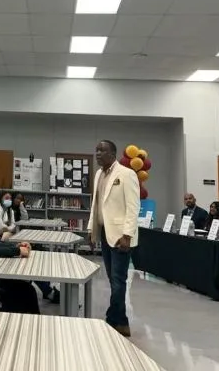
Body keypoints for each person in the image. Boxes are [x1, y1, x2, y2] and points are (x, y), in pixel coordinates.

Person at [89, 140, 140, 337]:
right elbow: (96, 205)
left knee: (118, 280)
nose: (98, 153)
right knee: (113, 279)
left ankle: (113, 319)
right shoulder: (98, 174)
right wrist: (91, 229)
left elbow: (133, 207)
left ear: (113, 153)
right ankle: (122, 322)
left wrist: (127, 235)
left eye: (102, 150)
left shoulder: (127, 174)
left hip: (121, 236)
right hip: (104, 232)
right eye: (96, 150)